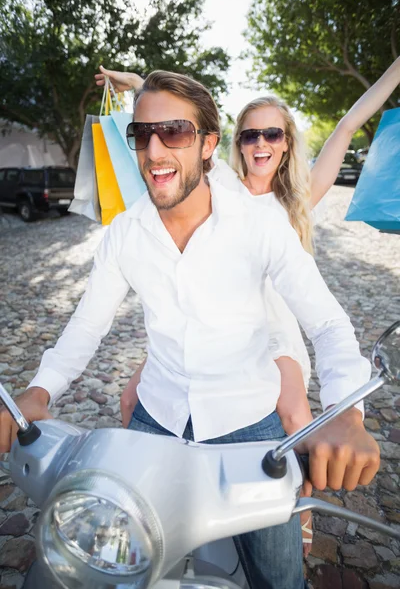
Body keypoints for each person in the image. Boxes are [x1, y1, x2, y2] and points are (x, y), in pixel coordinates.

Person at [0, 70, 380, 589]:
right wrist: (40, 389)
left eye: (174, 132)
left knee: (280, 576)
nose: (155, 150)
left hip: (251, 424)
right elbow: (87, 324)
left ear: (207, 145)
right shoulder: (123, 235)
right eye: (142, 134)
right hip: (156, 415)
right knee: (110, 563)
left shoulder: (259, 224)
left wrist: (345, 412)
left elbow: (328, 323)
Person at [95, 57, 400, 555]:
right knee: (134, 398)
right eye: (250, 136)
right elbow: (176, 128)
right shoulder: (224, 189)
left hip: (275, 334)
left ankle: (288, 519)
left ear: (287, 144)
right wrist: (136, 84)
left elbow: (348, 123)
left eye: (273, 136)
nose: (261, 144)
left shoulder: (300, 198)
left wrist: (394, 73)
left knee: (296, 417)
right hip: (216, 323)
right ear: (233, 144)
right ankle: (174, 509)